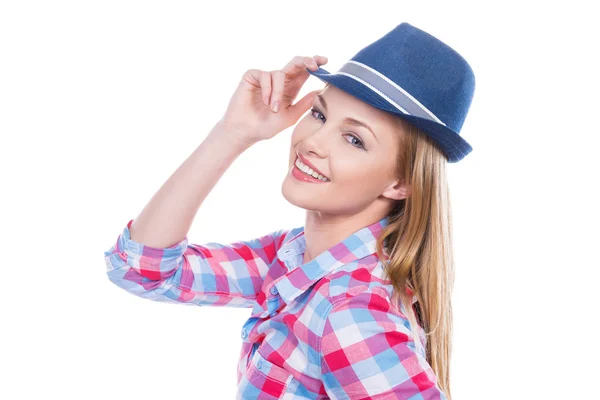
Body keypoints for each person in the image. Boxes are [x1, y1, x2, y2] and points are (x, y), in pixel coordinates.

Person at [104, 22, 475, 400]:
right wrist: (233, 132)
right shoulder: (293, 256)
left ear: (401, 184)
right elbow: (141, 269)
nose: (312, 142)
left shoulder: (351, 312)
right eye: (318, 114)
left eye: (354, 139)